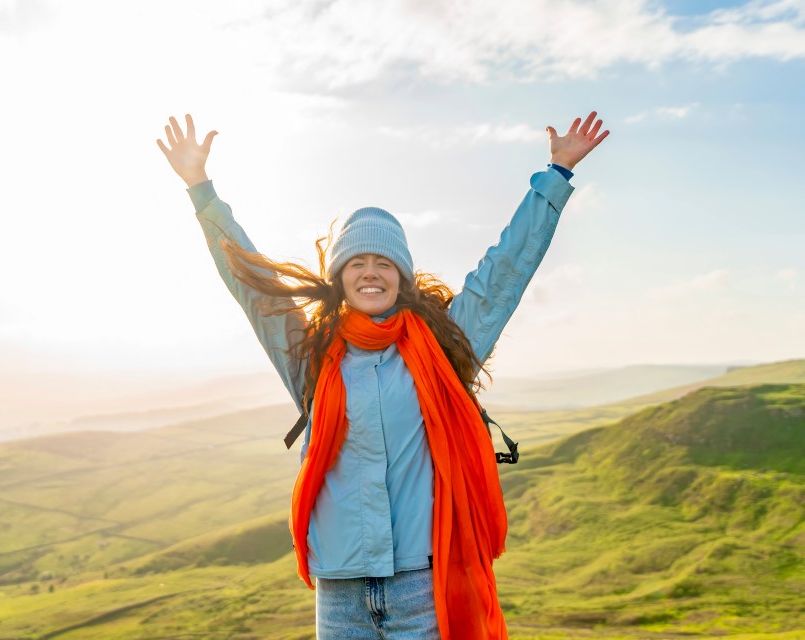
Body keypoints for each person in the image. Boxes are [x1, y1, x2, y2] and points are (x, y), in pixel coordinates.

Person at [157, 112, 609, 640]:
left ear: (401, 278)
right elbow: (253, 284)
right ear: (340, 278)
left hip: (423, 583)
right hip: (340, 589)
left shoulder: (444, 347)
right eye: (357, 263)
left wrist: (555, 177)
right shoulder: (312, 356)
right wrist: (201, 191)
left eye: (384, 263)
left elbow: (502, 274)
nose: (370, 271)